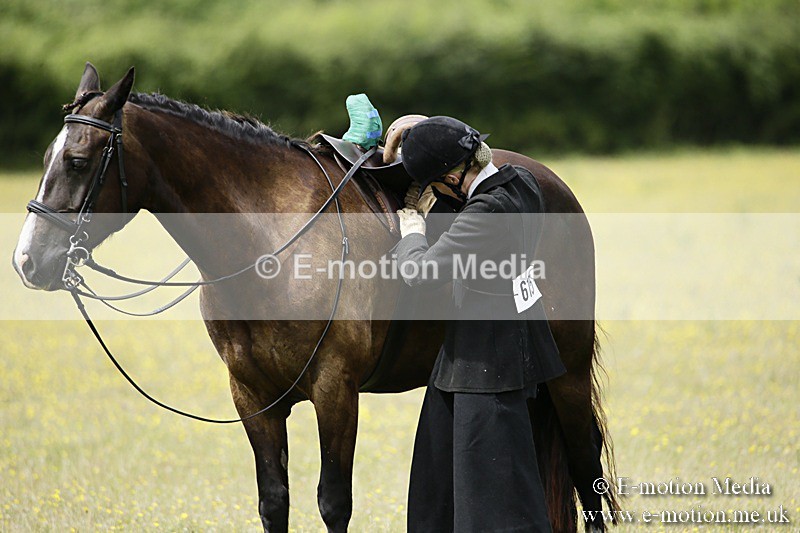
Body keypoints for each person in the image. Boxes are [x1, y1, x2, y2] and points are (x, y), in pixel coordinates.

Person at [395, 116, 566, 532]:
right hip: (481, 353)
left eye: (434, 184)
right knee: (437, 485)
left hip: (485, 363)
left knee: (493, 499)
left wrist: (413, 230)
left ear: (452, 177)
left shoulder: (489, 212)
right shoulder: (521, 181)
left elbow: (420, 273)